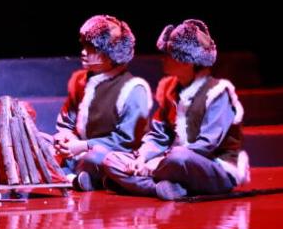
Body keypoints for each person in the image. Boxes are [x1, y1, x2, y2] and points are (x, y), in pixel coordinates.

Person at [102, 19, 250, 200]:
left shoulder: (218, 93)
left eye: (170, 55)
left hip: (212, 167)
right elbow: (158, 135)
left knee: (179, 157)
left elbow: (206, 145)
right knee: (112, 160)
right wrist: (142, 158)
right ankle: (160, 189)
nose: (163, 59)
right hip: (169, 164)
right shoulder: (170, 90)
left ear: (187, 61)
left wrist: (159, 162)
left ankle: (136, 184)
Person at [51, 15, 152, 191]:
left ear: (110, 54)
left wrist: (82, 146)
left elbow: (126, 140)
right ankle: (73, 178)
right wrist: (65, 138)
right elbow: (67, 122)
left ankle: (71, 177)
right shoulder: (80, 82)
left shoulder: (133, 88)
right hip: (76, 150)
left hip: (108, 153)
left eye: (91, 48)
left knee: (96, 157)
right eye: (84, 46)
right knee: (41, 142)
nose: (84, 52)